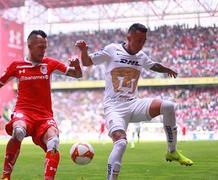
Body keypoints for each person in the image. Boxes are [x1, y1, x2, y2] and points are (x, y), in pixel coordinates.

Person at [0, 30, 82, 180]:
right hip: (24, 113)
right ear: (30, 46)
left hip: (44, 116)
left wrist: (77, 66)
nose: (44, 50)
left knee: (54, 140)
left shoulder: (50, 64)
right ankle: (6, 176)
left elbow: (77, 74)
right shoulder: (17, 66)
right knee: (18, 131)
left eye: (45, 47)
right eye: (40, 47)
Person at [75, 23, 193, 180]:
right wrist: (84, 51)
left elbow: (153, 65)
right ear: (128, 37)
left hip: (134, 104)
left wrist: (167, 69)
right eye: (138, 40)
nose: (141, 44)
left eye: (144, 41)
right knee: (121, 143)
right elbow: (87, 62)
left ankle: (172, 152)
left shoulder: (141, 56)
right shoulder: (112, 50)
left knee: (168, 106)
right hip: (114, 108)